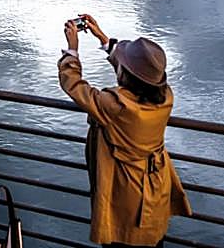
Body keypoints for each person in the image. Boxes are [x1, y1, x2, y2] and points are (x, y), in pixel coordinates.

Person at [58, 13, 191, 248]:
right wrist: (102, 38)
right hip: (155, 187)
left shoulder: (116, 104)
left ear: (125, 75)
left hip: (126, 195)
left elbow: (73, 84)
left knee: (122, 241)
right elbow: (142, 76)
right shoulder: (165, 98)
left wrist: (72, 51)